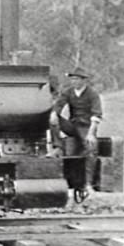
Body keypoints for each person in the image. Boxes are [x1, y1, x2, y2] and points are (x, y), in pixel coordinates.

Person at [49, 65, 102, 198]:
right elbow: (59, 104)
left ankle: (88, 184)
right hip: (73, 125)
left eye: (77, 79)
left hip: (86, 127)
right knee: (52, 118)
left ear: (84, 80)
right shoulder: (69, 92)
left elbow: (96, 115)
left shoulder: (92, 94)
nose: (74, 82)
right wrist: (54, 113)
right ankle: (58, 147)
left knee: (91, 150)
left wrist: (91, 134)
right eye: (72, 79)